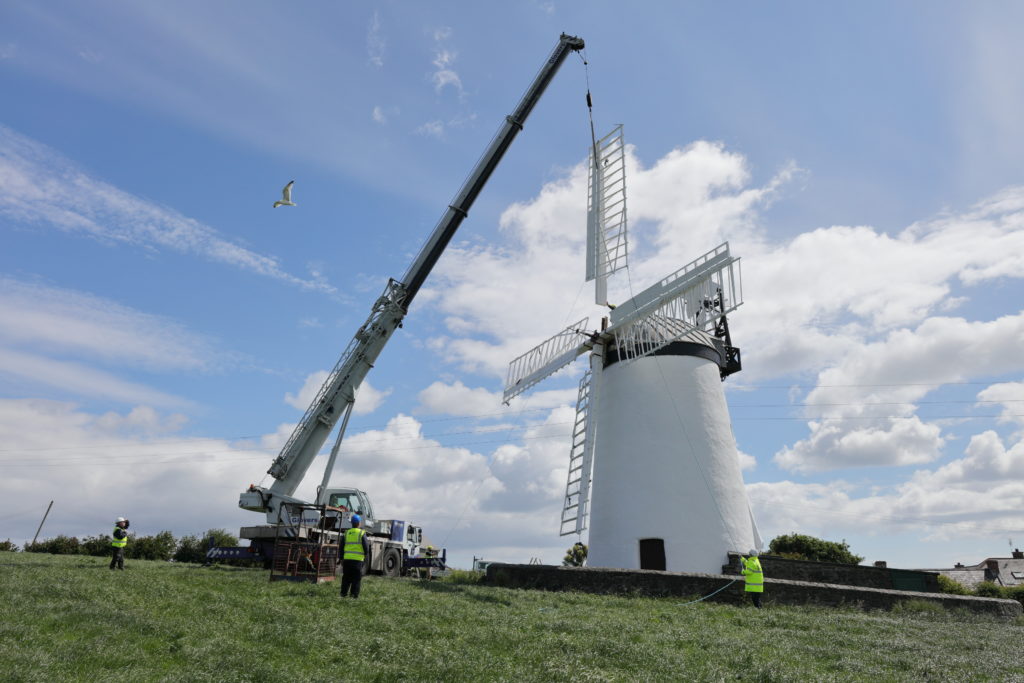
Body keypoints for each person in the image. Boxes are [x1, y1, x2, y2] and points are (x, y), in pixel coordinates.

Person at [340, 514, 369, 599]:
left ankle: (343, 594)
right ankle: (353, 595)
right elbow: (366, 547)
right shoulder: (361, 533)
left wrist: (341, 558)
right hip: (358, 561)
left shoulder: (346, 533)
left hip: (347, 560)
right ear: (359, 523)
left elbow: (341, 547)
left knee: (346, 578)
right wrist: (365, 557)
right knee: (356, 579)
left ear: (351, 523)